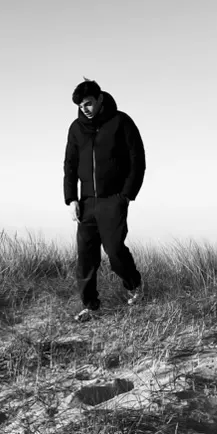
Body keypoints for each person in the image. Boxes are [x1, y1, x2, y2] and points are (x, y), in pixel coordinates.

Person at [63, 79, 146, 320]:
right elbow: (70, 165)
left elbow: (137, 159)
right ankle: (90, 305)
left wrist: (126, 195)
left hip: (113, 200)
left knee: (115, 250)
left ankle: (134, 285)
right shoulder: (76, 128)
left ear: (99, 99)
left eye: (88, 103)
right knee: (86, 258)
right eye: (80, 105)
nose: (84, 109)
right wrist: (71, 199)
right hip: (86, 202)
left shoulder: (121, 121)